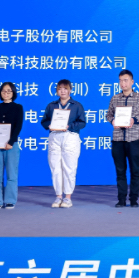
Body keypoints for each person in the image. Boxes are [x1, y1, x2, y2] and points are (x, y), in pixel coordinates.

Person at [106, 69, 139, 208]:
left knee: (135, 170)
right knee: (120, 171)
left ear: (132, 82)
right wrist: (112, 120)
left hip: (134, 139)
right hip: (118, 139)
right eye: (120, 80)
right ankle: (121, 199)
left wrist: (134, 119)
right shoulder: (115, 98)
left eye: (125, 80)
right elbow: (108, 115)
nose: (122, 83)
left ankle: (134, 199)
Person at [41, 79, 86, 208]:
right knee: (55, 167)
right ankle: (58, 196)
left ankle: (67, 197)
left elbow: (82, 122)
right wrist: (49, 125)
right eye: (60, 88)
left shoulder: (77, 105)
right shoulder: (51, 105)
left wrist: (69, 126)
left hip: (70, 137)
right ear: (56, 91)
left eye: (65, 88)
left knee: (69, 167)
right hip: (54, 136)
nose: (62, 91)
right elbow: (44, 121)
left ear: (70, 90)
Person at [0, 82, 23, 209]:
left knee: (11, 174)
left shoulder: (18, 107)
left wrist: (11, 142)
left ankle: (10, 200)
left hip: (11, 145)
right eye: (3, 91)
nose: (6, 93)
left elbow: (18, 126)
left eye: (9, 91)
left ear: (13, 93)